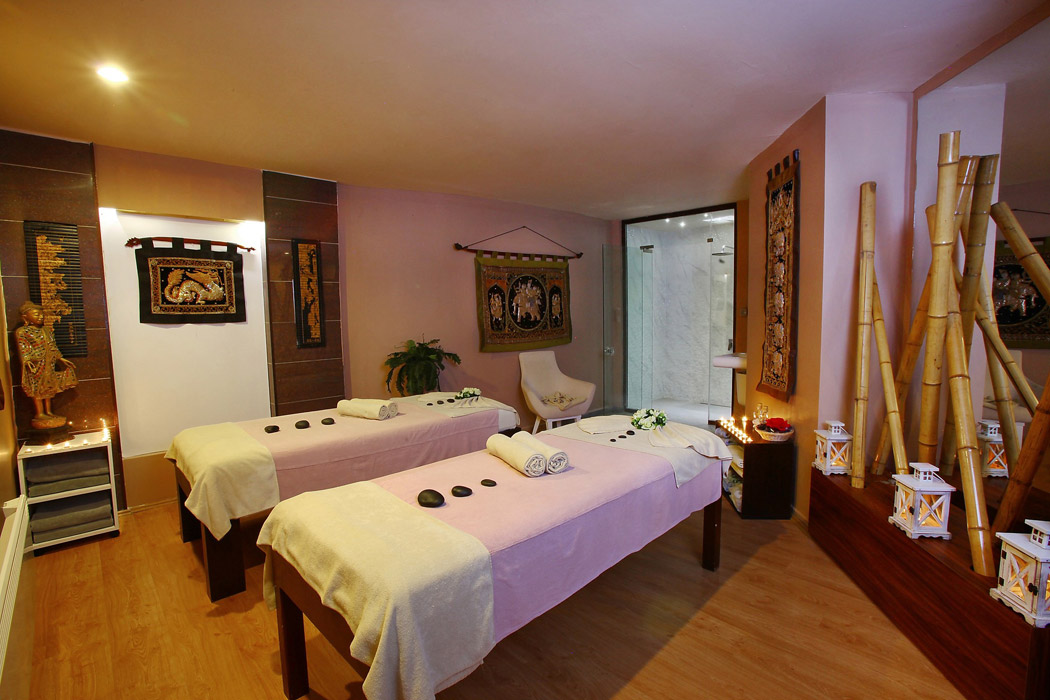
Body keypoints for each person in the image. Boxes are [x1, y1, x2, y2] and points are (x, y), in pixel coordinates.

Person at [14, 301, 77, 429]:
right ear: (26, 317)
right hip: (36, 364)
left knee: (49, 387)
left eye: (41, 314)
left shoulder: (46, 330)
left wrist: (60, 358)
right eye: (36, 314)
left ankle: (48, 411)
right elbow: (24, 347)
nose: (40, 317)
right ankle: (40, 413)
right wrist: (27, 360)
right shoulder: (22, 332)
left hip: (48, 362)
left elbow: (52, 345)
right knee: (37, 388)